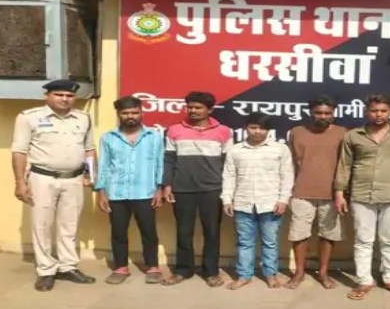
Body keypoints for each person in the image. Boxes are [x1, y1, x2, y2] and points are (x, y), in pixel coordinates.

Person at [10, 79, 97, 292]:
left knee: (70, 224)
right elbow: (19, 151)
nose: (64, 99)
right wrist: (20, 182)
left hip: (74, 179)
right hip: (43, 178)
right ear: (47, 96)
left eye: (69, 96)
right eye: (59, 95)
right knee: (42, 225)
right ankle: (46, 270)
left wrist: (91, 175)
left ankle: (68, 266)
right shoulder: (29, 117)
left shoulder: (83, 118)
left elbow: (89, 149)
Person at [334, 94, 390, 300]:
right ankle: (364, 280)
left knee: (389, 240)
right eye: (374, 111)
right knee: (363, 240)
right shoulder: (353, 136)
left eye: (383, 111)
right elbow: (344, 166)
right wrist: (339, 193)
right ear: (367, 112)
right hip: (361, 194)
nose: (379, 114)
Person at [161, 92, 233, 287]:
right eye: (190, 107)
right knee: (183, 231)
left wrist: (228, 191)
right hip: (182, 188)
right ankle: (183, 270)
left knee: (212, 231)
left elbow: (229, 164)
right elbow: (169, 160)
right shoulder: (174, 130)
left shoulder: (224, 132)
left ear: (209, 110)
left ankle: (211, 271)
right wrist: (167, 185)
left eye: (198, 107)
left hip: (213, 188)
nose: (193, 111)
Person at [94, 96, 164, 285]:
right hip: (116, 192)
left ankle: (153, 267)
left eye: (134, 112)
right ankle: (120, 267)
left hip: (145, 192)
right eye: (125, 113)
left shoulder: (154, 136)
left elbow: (160, 164)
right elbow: (104, 165)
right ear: (119, 114)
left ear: (141, 113)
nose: (130, 116)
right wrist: (101, 191)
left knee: (149, 232)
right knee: (118, 232)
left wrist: (159, 188)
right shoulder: (108, 138)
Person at [221, 112, 294, 290]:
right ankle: (244, 275)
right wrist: (227, 199)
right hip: (243, 203)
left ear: (268, 130)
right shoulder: (235, 150)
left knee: (270, 242)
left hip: (271, 204)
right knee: (244, 242)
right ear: (246, 128)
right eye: (253, 127)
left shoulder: (280, 149)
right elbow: (229, 175)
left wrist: (283, 200)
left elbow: (287, 175)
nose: (257, 132)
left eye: (262, 128)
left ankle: (270, 274)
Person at [285, 95, 347, 290]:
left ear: (333, 113)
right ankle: (299, 272)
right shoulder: (296, 132)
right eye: (318, 113)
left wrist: (342, 192)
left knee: (328, 235)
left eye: (327, 113)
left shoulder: (343, 133)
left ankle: (323, 272)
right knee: (299, 234)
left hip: (332, 194)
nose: (323, 116)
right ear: (310, 112)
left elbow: (347, 165)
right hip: (301, 192)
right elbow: (289, 163)